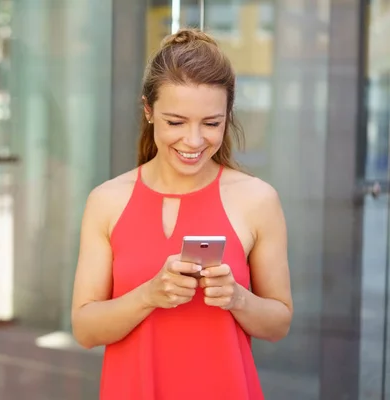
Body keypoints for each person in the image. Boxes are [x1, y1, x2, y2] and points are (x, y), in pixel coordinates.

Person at [70, 27, 293, 400]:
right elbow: (85, 329)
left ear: (227, 116)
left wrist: (237, 298)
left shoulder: (257, 200)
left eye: (211, 123)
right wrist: (149, 295)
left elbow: (278, 323)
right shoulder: (107, 201)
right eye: (176, 122)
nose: (193, 141)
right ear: (148, 110)